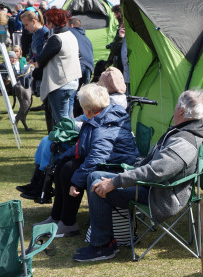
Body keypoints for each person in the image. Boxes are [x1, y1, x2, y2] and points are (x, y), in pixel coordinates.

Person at [78, 89, 203, 262]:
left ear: (181, 111)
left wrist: (116, 181)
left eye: (176, 106)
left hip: (161, 195)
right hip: (154, 186)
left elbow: (157, 171)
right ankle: (108, 239)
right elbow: (154, 168)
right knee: (94, 175)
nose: (173, 109)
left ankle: (101, 246)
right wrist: (127, 172)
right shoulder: (189, 129)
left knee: (97, 184)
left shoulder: (185, 141)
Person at [40, 83, 137, 237]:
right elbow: (83, 147)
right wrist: (63, 157)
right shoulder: (100, 117)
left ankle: (68, 223)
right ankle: (56, 216)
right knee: (63, 165)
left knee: (70, 170)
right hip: (107, 160)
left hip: (116, 165)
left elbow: (97, 156)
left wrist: (77, 182)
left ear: (88, 110)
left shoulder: (105, 125)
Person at [32, 8, 80, 128]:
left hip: (60, 84)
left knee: (62, 123)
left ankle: (69, 141)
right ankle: (73, 140)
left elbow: (41, 59)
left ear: (52, 23)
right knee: (68, 120)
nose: (46, 25)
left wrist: (37, 62)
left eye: (47, 21)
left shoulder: (56, 39)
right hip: (73, 82)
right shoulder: (71, 35)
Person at [68, 16, 94, 116]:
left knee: (71, 94)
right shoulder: (86, 38)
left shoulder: (71, 32)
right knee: (85, 96)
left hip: (79, 64)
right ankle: (86, 117)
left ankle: (69, 119)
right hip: (89, 66)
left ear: (71, 25)